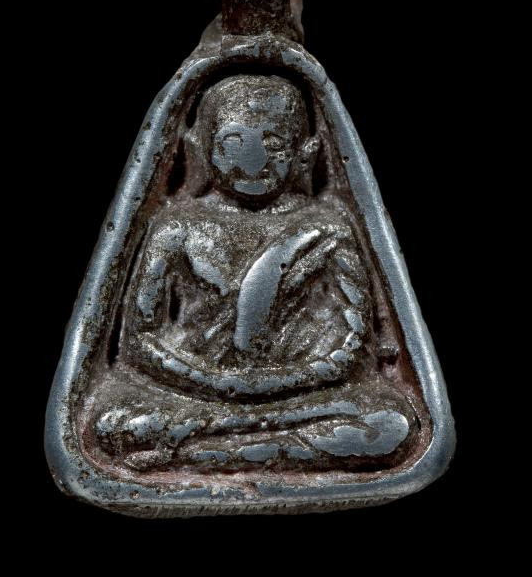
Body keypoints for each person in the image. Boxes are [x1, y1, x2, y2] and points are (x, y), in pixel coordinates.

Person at [87, 75, 415, 472]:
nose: (254, 162)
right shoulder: (177, 228)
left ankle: (206, 454)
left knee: (390, 422)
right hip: (200, 394)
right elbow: (140, 341)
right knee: (112, 423)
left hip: (300, 396)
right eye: (233, 143)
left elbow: (355, 348)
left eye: (274, 144)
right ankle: (253, 447)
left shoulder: (327, 228)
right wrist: (214, 382)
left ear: (305, 153)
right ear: (200, 150)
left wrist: (275, 385)